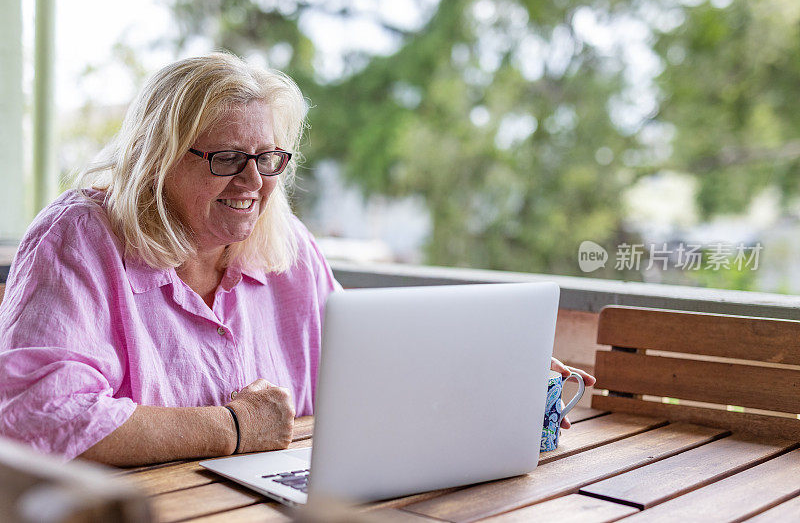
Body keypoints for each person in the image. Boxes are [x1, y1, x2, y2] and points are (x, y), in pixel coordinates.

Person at [0, 53, 594, 467]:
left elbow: (373, 366)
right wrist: (232, 428)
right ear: (157, 159)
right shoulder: (80, 235)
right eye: (227, 157)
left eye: (269, 158)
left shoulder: (288, 248)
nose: (254, 182)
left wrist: (499, 378)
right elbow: (39, 416)